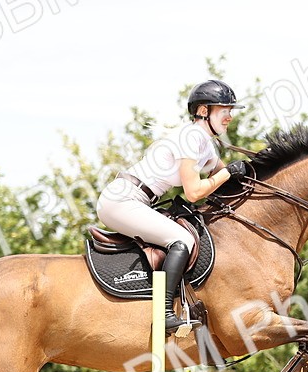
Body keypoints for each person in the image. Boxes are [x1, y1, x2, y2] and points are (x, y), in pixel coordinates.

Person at [96, 79, 249, 334]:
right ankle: (165, 312)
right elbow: (194, 192)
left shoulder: (204, 143)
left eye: (230, 111)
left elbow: (225, 177)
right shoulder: (191, 137)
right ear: (203, 111)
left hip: (137, 199)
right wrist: (227, 174)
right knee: (182, 240)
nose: (230, 117)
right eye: (225, 110)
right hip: (122, 200)